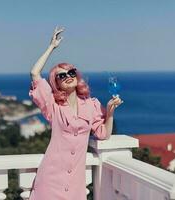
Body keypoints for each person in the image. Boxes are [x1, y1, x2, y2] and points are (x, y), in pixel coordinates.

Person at [28, 26, 123, 200]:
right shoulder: (53, 106)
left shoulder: (91, 105)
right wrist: (51, 47)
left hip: (75, 182)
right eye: (61, 76)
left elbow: (103, 134)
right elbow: (34, 73)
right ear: (56, 83)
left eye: (71, 72)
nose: (68, 76)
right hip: (51, 178)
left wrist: (110, 112)